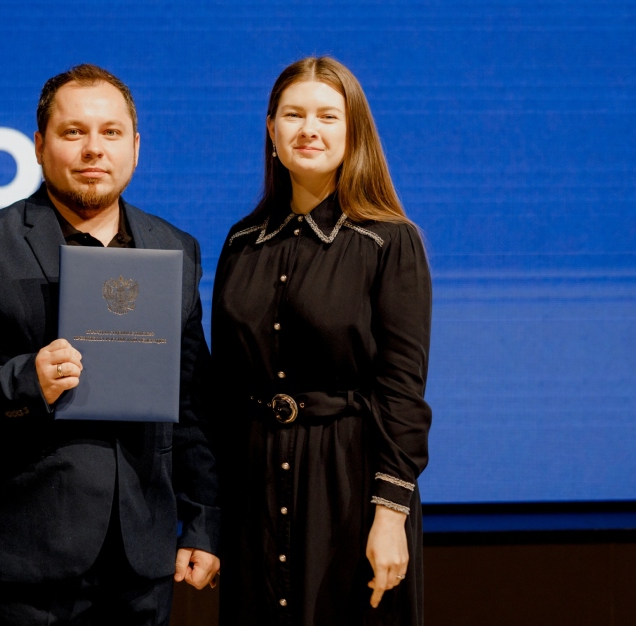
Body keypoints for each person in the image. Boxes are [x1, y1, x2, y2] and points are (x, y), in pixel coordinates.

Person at [0, 64, 220, 626]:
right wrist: (26, 381)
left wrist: (203, 521)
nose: (94, 148)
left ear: (136, 147)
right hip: (28, 560)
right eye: (73, 132)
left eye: (111, 132)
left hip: (142, 562)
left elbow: (190, 403)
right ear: (40, 145)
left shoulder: (175, 248)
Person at [212, 57, 432, 625]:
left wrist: (391, 516)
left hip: (349, 484)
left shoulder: (390, 241)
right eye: (293, 115)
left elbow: (402, 393)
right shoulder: (241, 242)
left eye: (328, 116)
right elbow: (223, 391)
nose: (309, 129)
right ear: (271, 129)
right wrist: (205, 518)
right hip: (253, 486)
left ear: (353, 131)